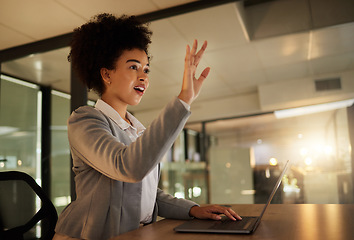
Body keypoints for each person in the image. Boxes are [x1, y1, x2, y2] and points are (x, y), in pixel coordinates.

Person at [53, 13, 241, 240]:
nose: (144, 77)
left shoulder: (137, 129)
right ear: (106, 74)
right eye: (134, 67)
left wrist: (192, 209)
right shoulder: (84, 121)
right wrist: (183, 100)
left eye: (146, 69)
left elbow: (147, 193)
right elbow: (128, 167)